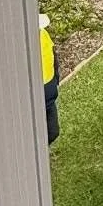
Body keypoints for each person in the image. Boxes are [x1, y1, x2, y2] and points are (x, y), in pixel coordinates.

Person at [40, 12, 59, 144]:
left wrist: (56, 78)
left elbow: (53, 56)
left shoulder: (44, 35)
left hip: (49, 99)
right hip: (36, 102)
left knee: (53, 132)